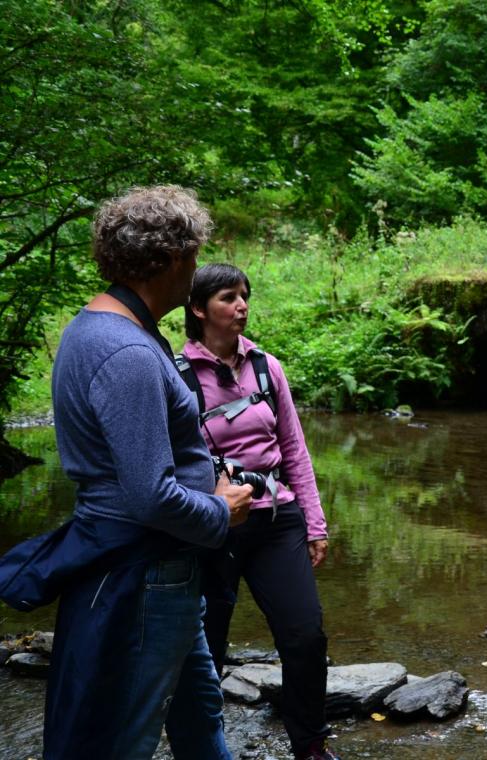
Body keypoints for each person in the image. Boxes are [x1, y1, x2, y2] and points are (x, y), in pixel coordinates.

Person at [46, 185, 252, 758]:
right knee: (123, 739)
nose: (195, 272)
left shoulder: (97, 327)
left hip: (150, 567)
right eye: (191, 259)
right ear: (166, 262)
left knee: (199, 720)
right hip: (144, 573)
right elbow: (150, 495)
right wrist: (220, 508)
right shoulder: (127, 352)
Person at [181, 263, 336, 760]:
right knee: (209, 646)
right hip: (215, 526)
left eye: (245, 295)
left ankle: (310, 743)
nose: (242, 305)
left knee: (305, 634)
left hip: (276, 519)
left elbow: (295, 449)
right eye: (229, 297)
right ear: (199, 308)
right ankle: (205, 747)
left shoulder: (268, 367)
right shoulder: (177, 374)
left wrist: (315, 523)